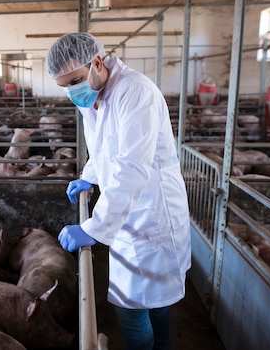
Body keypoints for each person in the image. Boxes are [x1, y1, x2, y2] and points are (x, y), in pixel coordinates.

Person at [46, 32, 191, 350]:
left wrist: (93, 227)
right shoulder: (93, 95)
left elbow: (131, 167)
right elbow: (101, 146)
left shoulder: (134, 92)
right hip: (128, 211)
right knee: (156, 299)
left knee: (132, 310)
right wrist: (90, 176)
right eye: (65, 86)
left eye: (75, 80)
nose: (72, 91)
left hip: (152, 215)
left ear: (97, 62)